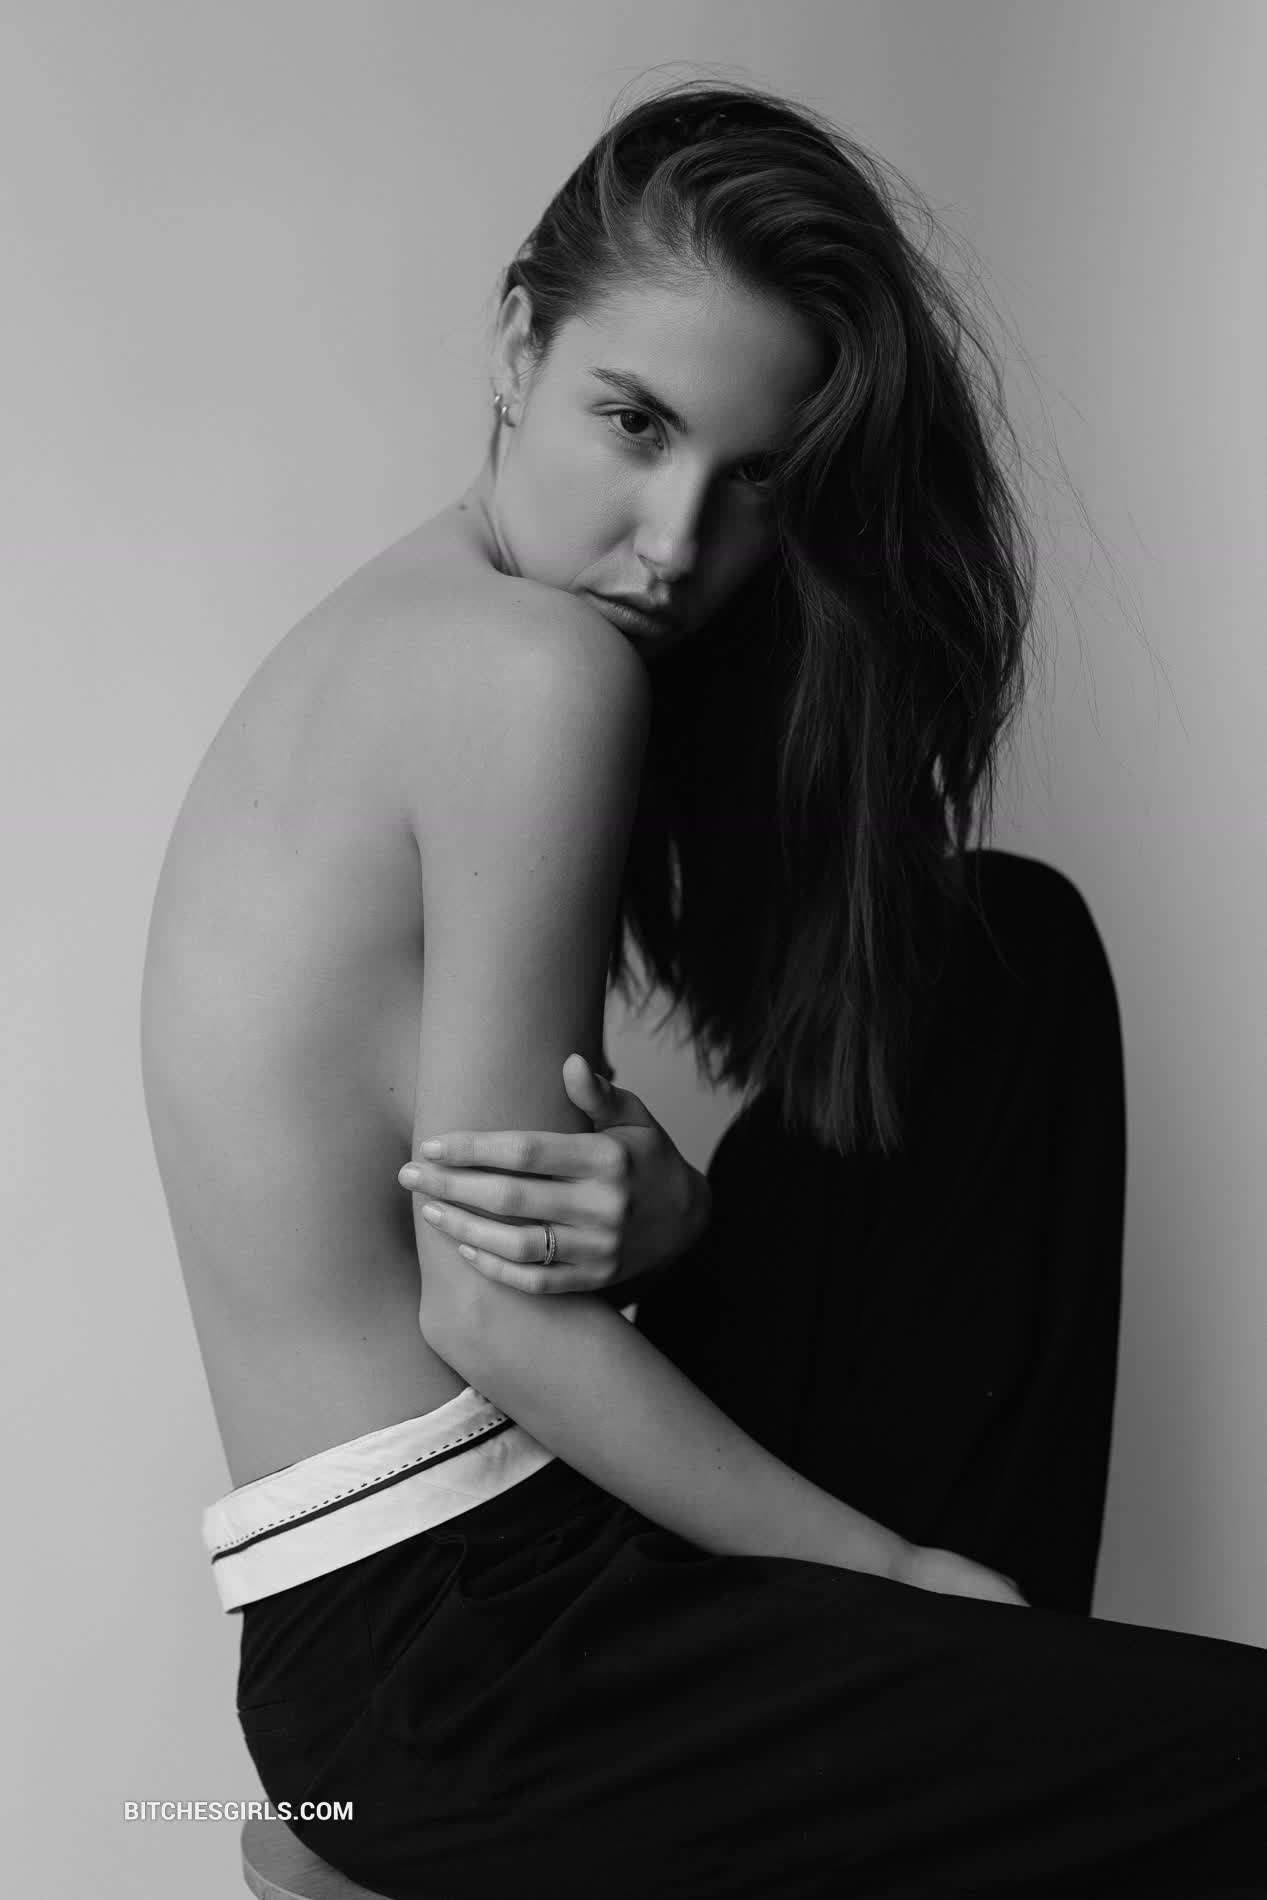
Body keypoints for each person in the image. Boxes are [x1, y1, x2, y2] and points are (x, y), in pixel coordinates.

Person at [140, 78, 1266, 1899]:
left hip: (434, 1618)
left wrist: (675, 1234)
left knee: (1000, 961)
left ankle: (954, 1748)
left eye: (756, 482)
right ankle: (958, 1713)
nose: (676, 542)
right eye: (636, 423)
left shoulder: (412, 630)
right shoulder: (528, 673)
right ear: (520, 342)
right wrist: (900, 1583)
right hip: (465, 1656)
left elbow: (503, 1250)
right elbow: (490, 1313)